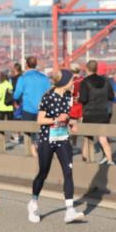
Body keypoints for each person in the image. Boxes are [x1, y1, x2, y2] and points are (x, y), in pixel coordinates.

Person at [29, 69, 83, 223]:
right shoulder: (48, 96)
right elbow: (40, 120)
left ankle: (70, 210)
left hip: (63, 139)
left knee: (68, 171)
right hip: (47, 139)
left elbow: (67, 116)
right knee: (43, 172)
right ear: (64, 82)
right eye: (72, 80)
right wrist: (57, 119)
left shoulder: (67, 96)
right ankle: (33, 203)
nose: (73, 83)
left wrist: (71, 122)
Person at [78, 60, 115, 164]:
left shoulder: (84, 82)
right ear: (96, 68)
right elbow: (111, 96)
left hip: (89, 114)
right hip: (103, 114)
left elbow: (84, 99)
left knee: (87, 139)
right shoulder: (106, 81)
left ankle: (85, 161)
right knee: (103, 138)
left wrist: (78, 99)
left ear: (86, 69)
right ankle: (110, 160)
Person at [12, 56, 48, 157]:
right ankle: (40, 151)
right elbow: (49, 92)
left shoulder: (23, 78)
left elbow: (17, 94)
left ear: (27, 65)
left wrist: (14, 98)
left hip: (28, 109)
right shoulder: (44, 77)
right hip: (42, 109)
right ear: (35, 64)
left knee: (29, 133)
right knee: (42, 132)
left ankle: (33, 154)